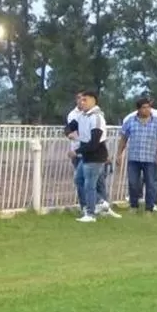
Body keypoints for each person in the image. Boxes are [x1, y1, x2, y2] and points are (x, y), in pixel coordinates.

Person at [69, 90, 119, 222]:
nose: (81, 102)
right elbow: (69, 127)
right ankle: (100, 202)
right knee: (79, 180)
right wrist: (69, 133)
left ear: (93, 101)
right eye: (81, 99)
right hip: (86, 155)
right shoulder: (82, 116)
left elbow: (94, 142)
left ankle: (90, 214)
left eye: (85, 100)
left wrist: (76, 151)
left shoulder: (97, 118)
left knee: (89, 185)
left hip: (95, 156)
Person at [116, 96, 157, 212]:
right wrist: (119, 154)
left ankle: (149, 208)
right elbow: (123, 138)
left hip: (150, 158)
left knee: (151, 184)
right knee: (133, 183)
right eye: (144, 108)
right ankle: (134, 206)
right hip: (134, 158)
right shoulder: (130, 121)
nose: (147, 110)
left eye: (148, 107)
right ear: (138, 109)